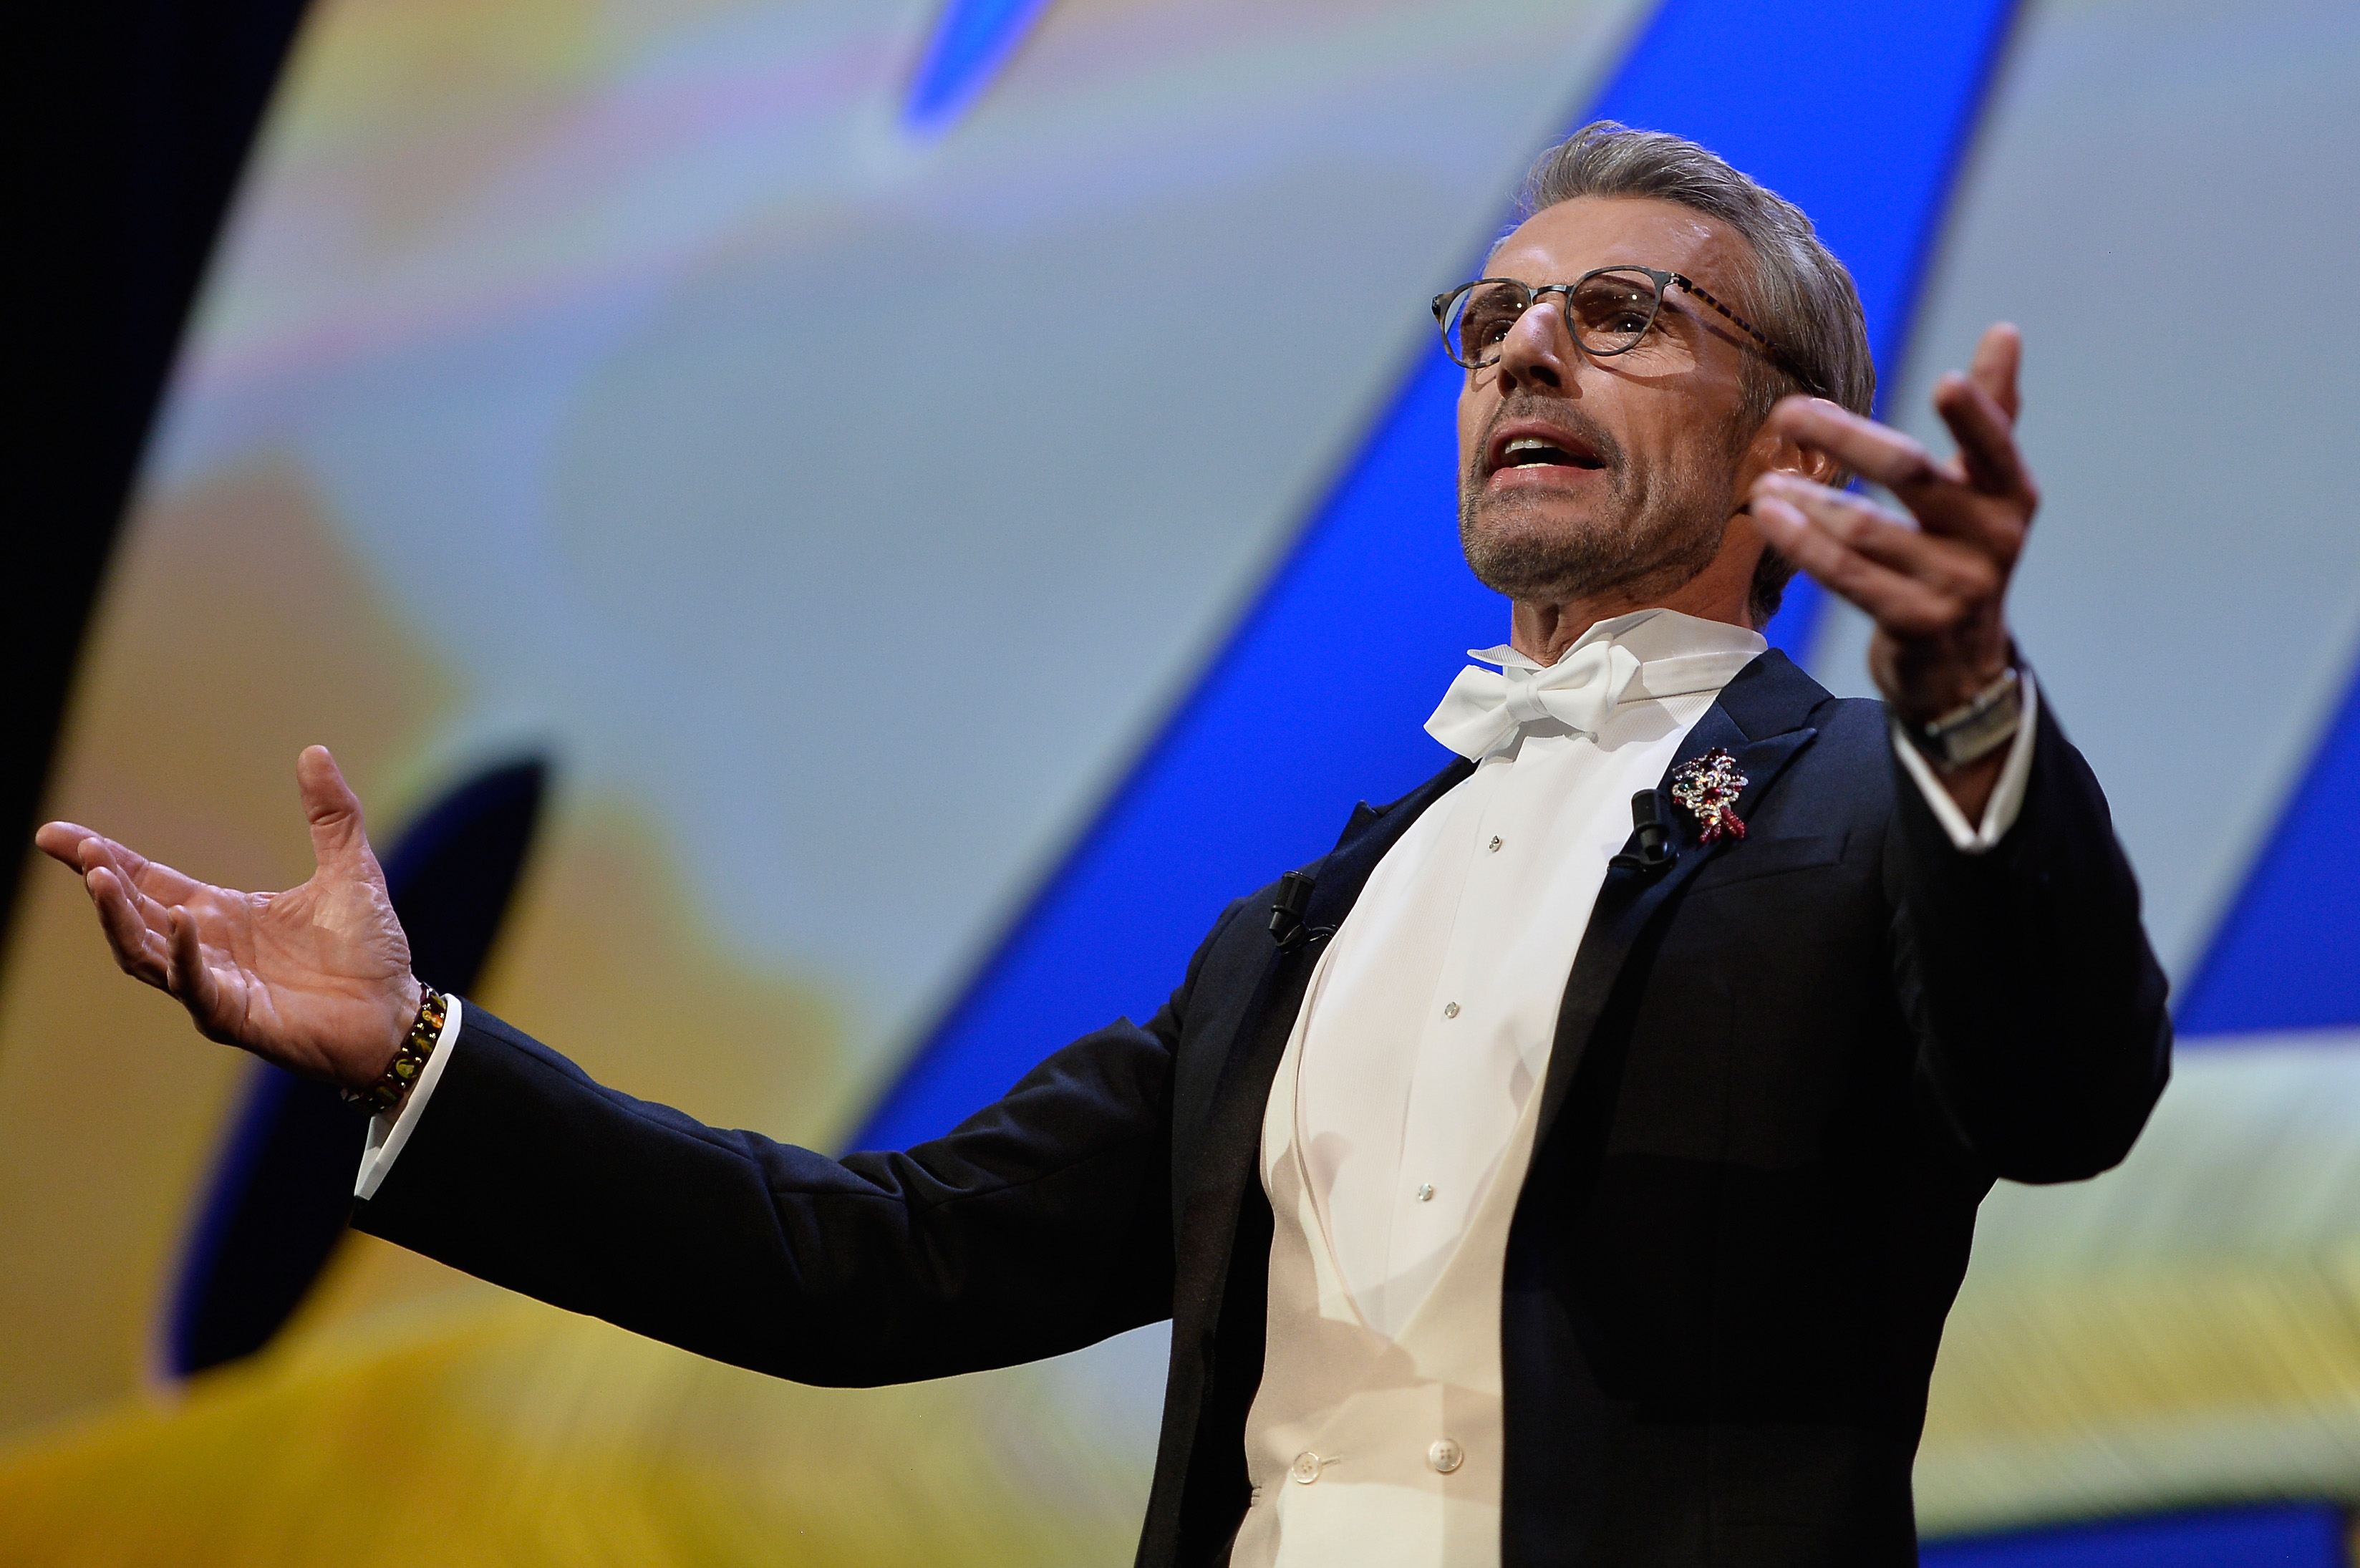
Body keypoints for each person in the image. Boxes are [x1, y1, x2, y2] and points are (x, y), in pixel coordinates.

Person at [37, 123, 2169, 1567]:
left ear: (1798, 447)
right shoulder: (1302, 934)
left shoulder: (1881, 812)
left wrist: (1967, 700)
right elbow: (871, 1263)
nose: (1527, 344)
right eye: (1494, 318)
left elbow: (2065, 1099)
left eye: (1621, 315)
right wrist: (413, 1054)